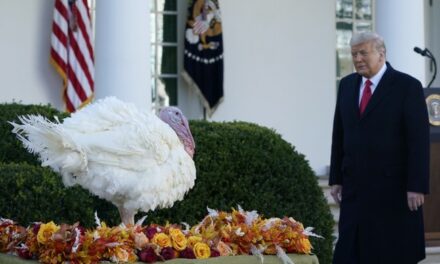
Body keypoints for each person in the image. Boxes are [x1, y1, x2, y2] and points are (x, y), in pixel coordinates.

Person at [329, 32, 430, 264]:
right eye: (354, 54)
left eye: (363, 53)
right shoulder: (346, 86)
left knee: (389, 254)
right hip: (355, 191)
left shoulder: (407, 87)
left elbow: (418, 141)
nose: (357, 59)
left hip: (393, 193)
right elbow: (339, 134)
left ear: (381, 54)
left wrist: (417, 185)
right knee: (349, 254)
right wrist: (336, 177)